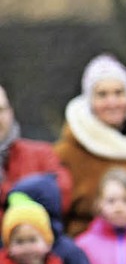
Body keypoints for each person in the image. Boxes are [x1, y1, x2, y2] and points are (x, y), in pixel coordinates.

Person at [54, 54, 126, 236]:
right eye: (102, 94)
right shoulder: (68, 153)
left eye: (119, 93)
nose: (112, 102)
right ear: (90, 101)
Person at [0, 84, 72, 223]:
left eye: (1, 110)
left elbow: (63, 195)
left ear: (11, 112)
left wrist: (9, 193)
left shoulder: (42, 154)